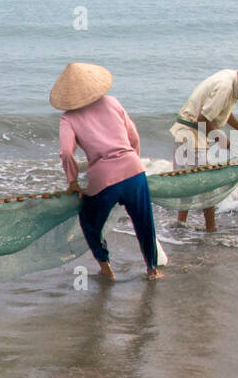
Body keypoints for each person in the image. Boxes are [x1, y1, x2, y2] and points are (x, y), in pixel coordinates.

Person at [52, 62, 162, 281]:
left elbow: (66, 153)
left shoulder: (68, 117)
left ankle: (106, 269)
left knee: (90, 222)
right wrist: (134, 163)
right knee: (144, 222)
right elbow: (134, 137)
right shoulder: (112, 102)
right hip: (133, 170)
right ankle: (152, 270)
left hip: (103, 179)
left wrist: (73, 182)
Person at [170, 61, 238, 232]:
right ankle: (210, 228)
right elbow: (203, 119)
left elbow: (221, 110)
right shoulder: (225, 87)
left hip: (194, 132)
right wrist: (221, 139)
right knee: (205, 183)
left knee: (188, 178)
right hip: (190, 132)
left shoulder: (231, 78)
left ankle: (181, 223)